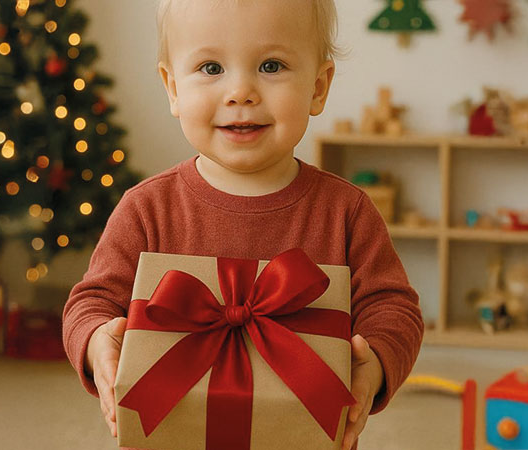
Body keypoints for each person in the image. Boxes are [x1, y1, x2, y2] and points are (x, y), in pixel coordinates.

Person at [63, 1, 423, 448]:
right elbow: (91, 301)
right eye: (211, 67)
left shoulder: (346, 211)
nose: (241, 91)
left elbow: (394, 308)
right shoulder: (146, 209)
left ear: (318, 86)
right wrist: (99, 343)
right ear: (173, 88)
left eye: (271, 65)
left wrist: (377, 364)